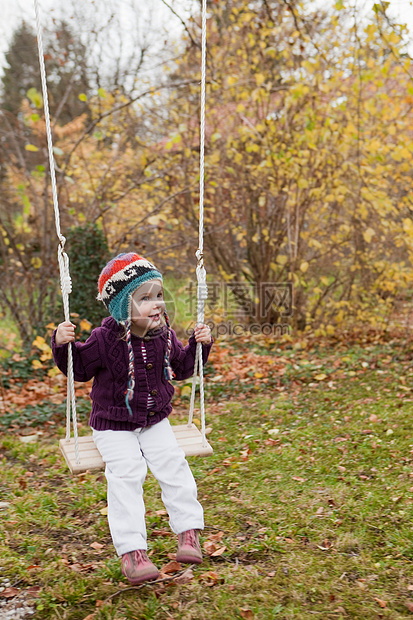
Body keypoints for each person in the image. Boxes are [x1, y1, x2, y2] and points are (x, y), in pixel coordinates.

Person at [52, 252, 213, 585]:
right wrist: (62, 344)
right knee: (127, 473)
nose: (156, 304)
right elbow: (78, 369)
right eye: (144, 299)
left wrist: (200, 346)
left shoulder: (165, 335)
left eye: (158, 295)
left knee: (173, 463)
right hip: (112, 425)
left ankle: (188, 532)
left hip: (154, 419)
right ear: (123, 306)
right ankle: (132, 552)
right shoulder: (103, 339)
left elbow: (183, 368)